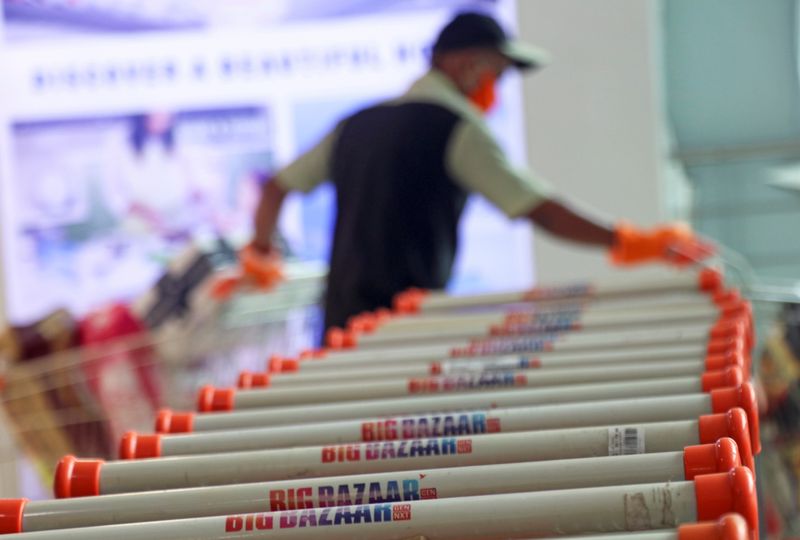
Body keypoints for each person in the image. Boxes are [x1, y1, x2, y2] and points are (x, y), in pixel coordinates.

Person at [249, 12, 712, 331]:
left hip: (341, 323)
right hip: (406, 330)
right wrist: (630, 242)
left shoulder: (356, 124)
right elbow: (539, 209)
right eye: (496, 74)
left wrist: (260, 252)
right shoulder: (455, 128)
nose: (496, 89)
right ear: (464, 64)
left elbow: (276, 187)